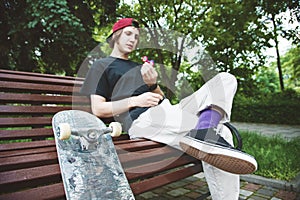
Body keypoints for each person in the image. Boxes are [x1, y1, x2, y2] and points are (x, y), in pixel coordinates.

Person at [81, 18, 257, 200]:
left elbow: (162, 98)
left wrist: (153, 84)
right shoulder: (101, 65)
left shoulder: (140, 67)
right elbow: (99, 109)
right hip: (142, 119)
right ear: (115, 36)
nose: (133, 39)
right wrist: (135, 100)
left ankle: (204, 128)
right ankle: (205, 131)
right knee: (223, 134)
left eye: (136, 36)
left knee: (225, 79)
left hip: (167, 110)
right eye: (128, 34)